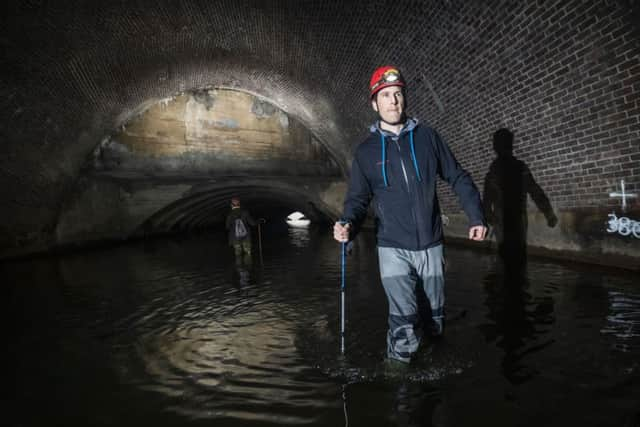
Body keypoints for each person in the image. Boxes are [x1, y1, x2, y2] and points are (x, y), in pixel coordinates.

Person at [333, 66, 487, 364]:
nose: (394, 101)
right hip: (392, 246)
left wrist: (476, 216)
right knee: (403, 322)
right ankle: (399, 384)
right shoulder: (365, 152)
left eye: (399, 94)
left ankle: (433, 374)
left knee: (435, 320)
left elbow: (458, 176)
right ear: (374, 103)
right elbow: (357, 199)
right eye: (387, 95)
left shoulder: (428, 138)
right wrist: (347, 223)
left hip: (431, 243)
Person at [483, 128, 557, 269]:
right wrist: (549, 214)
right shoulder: (520, 168)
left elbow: (486, 203)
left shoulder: (493, 172)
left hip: (502, 223)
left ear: (495, 147)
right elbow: (536, 192)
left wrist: (492, 220)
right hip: (519, 222)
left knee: (505, 262)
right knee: (519, 259)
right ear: (511, 146)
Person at [226, 197, 257, 264]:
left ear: (231, 205)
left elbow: (227, 227)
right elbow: (252, 223)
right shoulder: (245, 212)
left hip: (235, 238)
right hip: (246, 236)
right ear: (239, 204)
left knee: (238, 254)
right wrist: (258, 222)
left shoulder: (230, 214)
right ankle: (248, 267)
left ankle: (239, 269)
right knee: (248, 253)